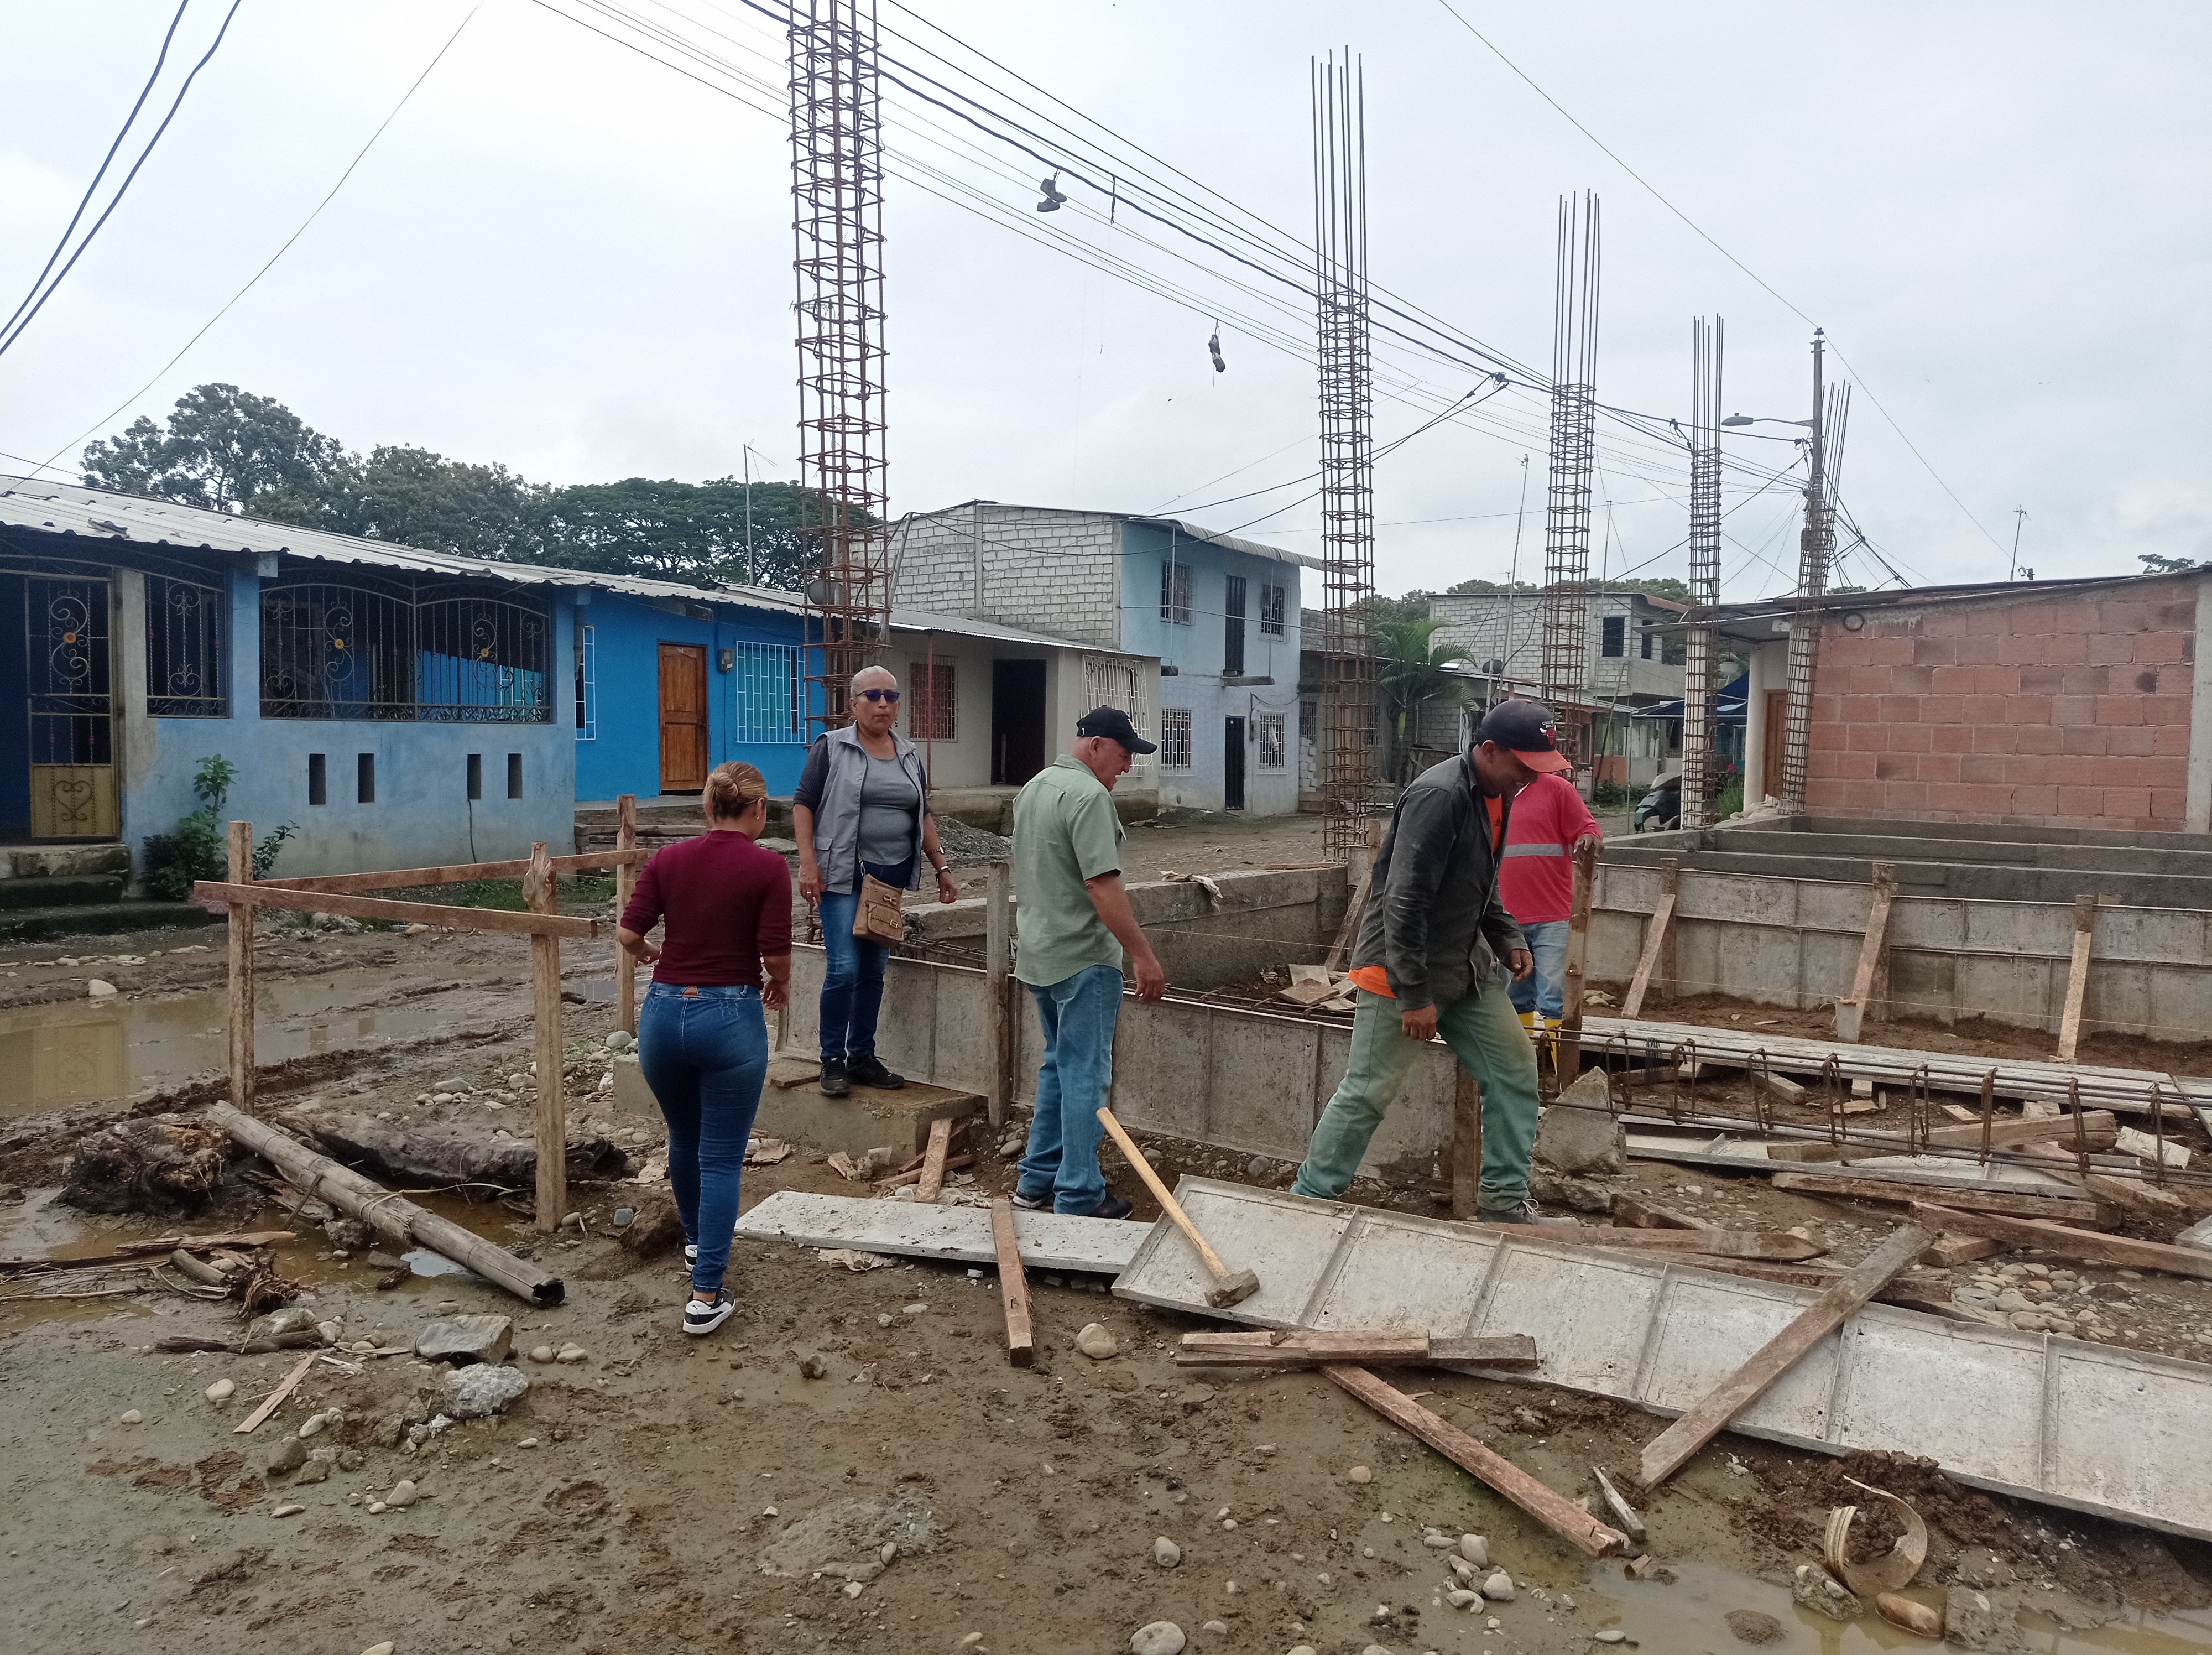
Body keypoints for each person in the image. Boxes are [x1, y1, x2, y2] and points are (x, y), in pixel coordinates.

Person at [1290, 701, 1576, 1225]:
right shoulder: (1439, 796)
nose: (1530, 778)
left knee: (1515, 1074)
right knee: (1369, 1092)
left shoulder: (1499, 793)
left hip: (1465, 968)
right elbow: (1405, 902)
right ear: (1489, 751)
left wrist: (1506, 935)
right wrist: (1415, 995)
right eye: (1524, 765)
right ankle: (1307, 1204)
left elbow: (1481, 881)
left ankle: (1503, 1203)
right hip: (1402, 972)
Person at [618, 760, 792, 1336]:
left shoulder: (668, 859)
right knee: (720, 1158)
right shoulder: (768, 866)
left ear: (708, 806)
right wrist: (781, 983)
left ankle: (696, 1243)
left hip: (664, 1014)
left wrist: (649, 956)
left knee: (684, 1137)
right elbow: (775, 952)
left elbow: (628, 932)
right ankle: (705, 1296)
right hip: (728, 1016)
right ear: (758, 809)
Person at [1009, 707, 1168, 1217]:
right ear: (1096, 745)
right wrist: (1142, 955)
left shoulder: (1035, 787)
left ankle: (1037, 1180)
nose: (1127, 767)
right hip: (1083, 958)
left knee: (1058, 1066)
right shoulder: (1090, 796)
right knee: (1084, 1075)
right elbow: (1101, 884)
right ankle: (1078, 1194)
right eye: (1124, 755)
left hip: (1039, 952)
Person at [792, 665, 961, 1098]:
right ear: (854, 704)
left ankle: (862, 1057)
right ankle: (832, 1059)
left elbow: (922, 813)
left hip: (890, 877)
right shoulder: (832, 748)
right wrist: (807, 863)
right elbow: (804, 803)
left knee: (873, 970)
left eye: (891, 695)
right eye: (872, 696)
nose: (883, 703)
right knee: (844, 968)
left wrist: (941, 867)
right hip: (844, 873)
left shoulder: (908, 754)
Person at [1498, 759, 1603, 1053]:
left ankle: (1562, 1072)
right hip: (1504, 918)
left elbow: (1587, 827)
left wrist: (1589, 838)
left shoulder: (1557, 789)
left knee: (1555, 997)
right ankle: (1524, 1065)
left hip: (1553, 916)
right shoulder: (1492, 793)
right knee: (1514, 995)